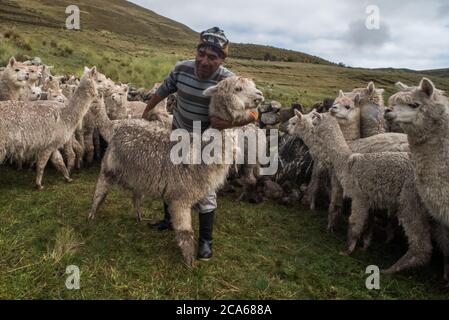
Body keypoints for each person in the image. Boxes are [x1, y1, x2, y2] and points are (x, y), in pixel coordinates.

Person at [142, 27, 256, 261]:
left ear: (222, 60)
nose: (204, 61)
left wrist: (227, 124)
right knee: (170, 177)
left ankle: (205, 240)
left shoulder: (229, 81)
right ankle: (169, 219)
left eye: (212, 57)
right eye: (201, 53)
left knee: (204, 189)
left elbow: (255, 113)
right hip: (180, 133)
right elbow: (165, 88)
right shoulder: (182, 68)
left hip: (209, 142)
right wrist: (147, 109)